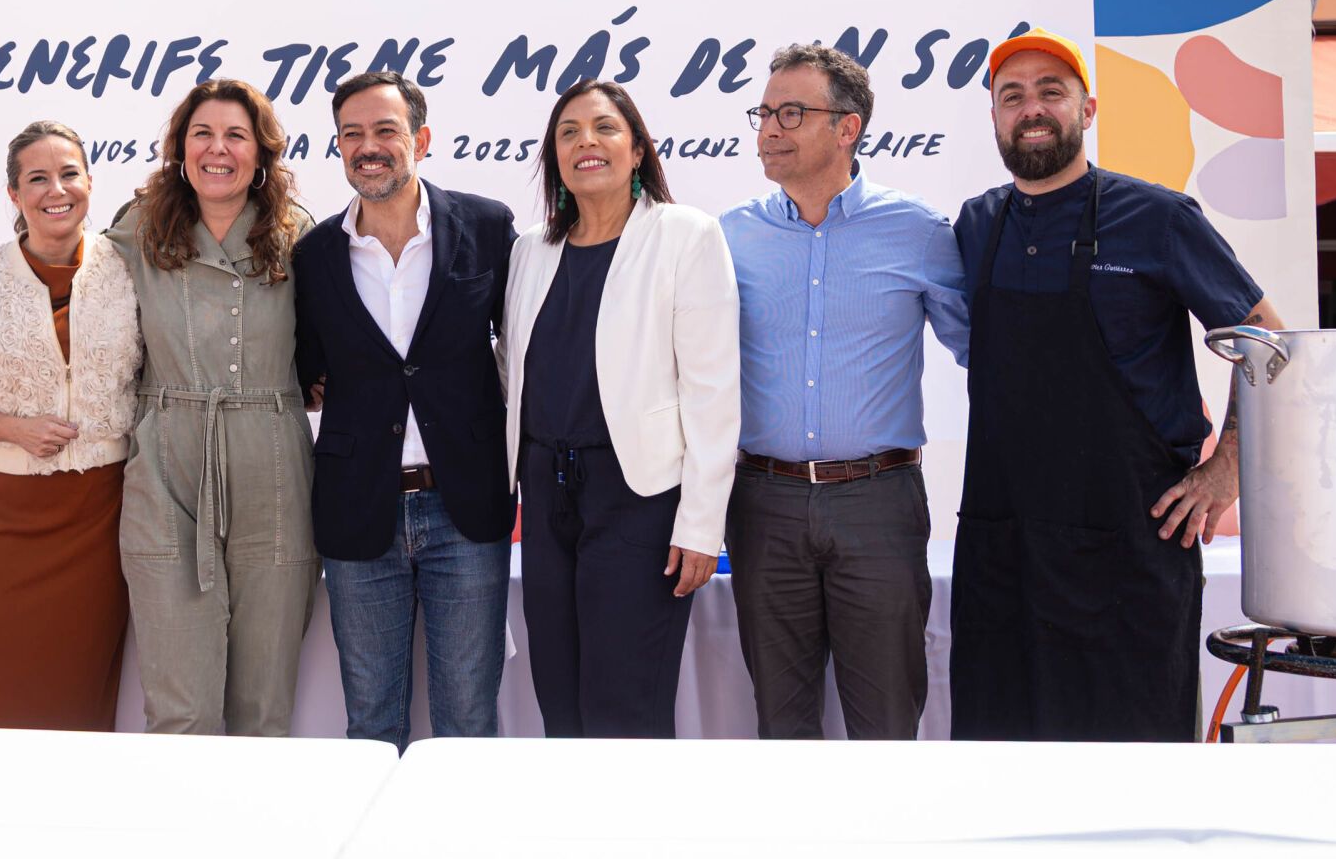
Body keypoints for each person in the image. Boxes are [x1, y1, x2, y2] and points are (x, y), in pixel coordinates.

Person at [0, 79, 319, 736]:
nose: (217, 149)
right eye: (202, 134)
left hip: (273, 472)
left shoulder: (297, 233)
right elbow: (57, 263)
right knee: (180, 709)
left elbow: (341, 329)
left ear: (261, 151)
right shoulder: (141, 227)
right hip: (165, 475)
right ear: (180, 148)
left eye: (235, 135)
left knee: (264, 707)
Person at [948, 28, 1282, 742]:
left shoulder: (1159, 218)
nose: (1031, 109)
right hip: (1003, 550)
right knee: (999, 760)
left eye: (1051, 92)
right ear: (995, 118)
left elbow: (1270, 343)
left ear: (1088, 109)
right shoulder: (976, 224)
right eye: (1012, 96)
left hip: (1129, 548)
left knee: (1134, 766)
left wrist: (1227, 467)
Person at [719, 45, 969, 740]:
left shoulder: (919, 231)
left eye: (791, 113)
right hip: (763, 503)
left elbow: (986, 353)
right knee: (782, 725)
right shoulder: (729, 237)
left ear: (848, 127)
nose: (769, 129)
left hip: (878, 503)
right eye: (764, 112)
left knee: (886, 722)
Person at [501, 79, 739, 737]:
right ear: (554, 157)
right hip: (547, 499)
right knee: (560, 701)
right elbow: (511, 373)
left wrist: (701, 525)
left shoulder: (685, 235)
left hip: (639, 499)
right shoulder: (530, 250)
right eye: (568, 132)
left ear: (637, 150)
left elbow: (713, 392)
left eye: (605, 127)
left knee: (625, 710)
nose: (586, 142)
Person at [293, 71, 516, 750]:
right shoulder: (314, 256)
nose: (368, 146)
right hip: (359, 509)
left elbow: (524, 347)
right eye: (352, 134)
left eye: (385, 130)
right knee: (371, 725)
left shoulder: (487, 227)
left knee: (467, 724)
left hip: (465, 508)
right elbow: (303, 369)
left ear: (420, 139)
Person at [0, 120, 142, 731]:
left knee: (84, 695)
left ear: (90, 181)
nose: (55, 190)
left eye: (69, 174)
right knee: (9, 696)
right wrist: (13, 430)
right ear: (14, 194)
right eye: (37, 178)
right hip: (4, 522)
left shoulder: (131, 271)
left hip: (103, 517)